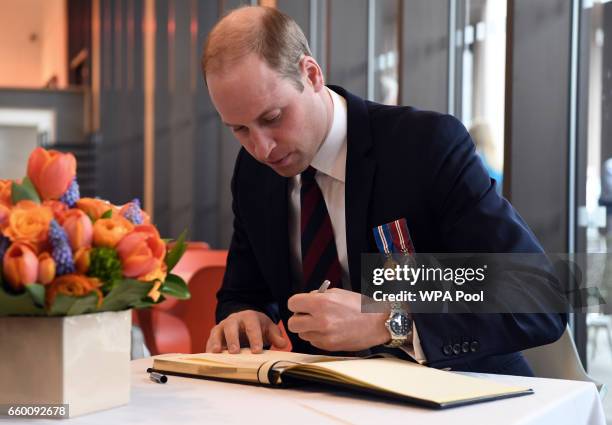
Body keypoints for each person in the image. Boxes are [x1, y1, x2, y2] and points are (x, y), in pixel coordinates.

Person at [202, 5, 566, 375]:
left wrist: (386, 322)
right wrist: (244, 317)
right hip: (322, 399)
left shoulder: (424, 147)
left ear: (311, 75)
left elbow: (538, 297)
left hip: (460, 391)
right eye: (239, 130)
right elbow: (243, 294)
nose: (262, 148)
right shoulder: (255, 174)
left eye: (273, 118)